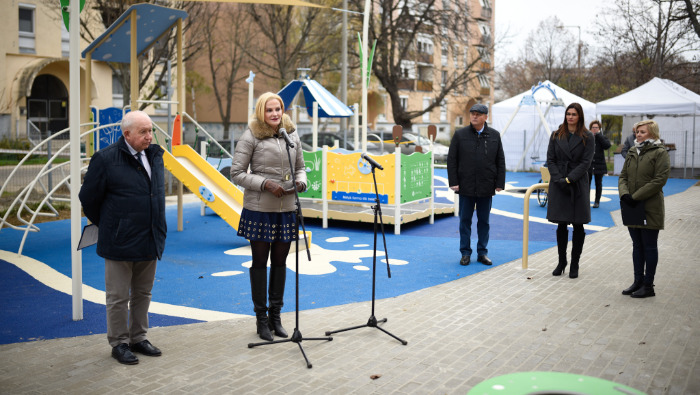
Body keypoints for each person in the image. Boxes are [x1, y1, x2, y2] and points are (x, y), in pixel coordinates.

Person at [79, 110, 167, 365]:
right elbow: (88, 198)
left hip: (150, 237)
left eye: (150, 130)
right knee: (118, 297)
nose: (149, 136)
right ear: (126, 134)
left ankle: (138, 337)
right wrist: (110, 224)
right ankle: (119, 343)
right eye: (143, 132)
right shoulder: (105, 159)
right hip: (119, 240)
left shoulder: (155, 156)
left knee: (143, 293)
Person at [230, 92, 306, 341]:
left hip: (286, 209)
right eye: (269, 110)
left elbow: (300, 167)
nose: (275, 114)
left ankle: (276, 316)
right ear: (261, 112)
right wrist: (265, 184)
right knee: (260, 263)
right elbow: (237, 173)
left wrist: (301, 182)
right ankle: (261, 320)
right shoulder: (251, 135)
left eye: (278, 109)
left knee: (281, 263)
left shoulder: (291, 133)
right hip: (260, 209)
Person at [447, 103, 506, 267]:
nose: (474, 116)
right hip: (465, 186)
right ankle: (465, 253)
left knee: (484, 222)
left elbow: (500, 161)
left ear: (486, 117)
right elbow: (452, 160)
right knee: (464, 220)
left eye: (478, 114)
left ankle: (482, 253)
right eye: (472, 113)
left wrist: (499, 183)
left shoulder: (494, 135)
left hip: (486, 186)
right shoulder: (460, 135)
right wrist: (454, 182)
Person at [618, 120, 670, 298]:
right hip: (632, 205)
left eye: (642, 132)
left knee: (649, 246)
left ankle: (649, 286)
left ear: (653, 134)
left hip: (649, 206)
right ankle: (638, 281)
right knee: (637, 245)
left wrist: (635, 196)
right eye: (637, 132)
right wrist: (625, 194)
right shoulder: (633, 151)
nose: (638, 135)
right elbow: (623, 176)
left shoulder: (660, 152)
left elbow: (659, 180)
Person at [546, 103, 594, 279]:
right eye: (568, 114)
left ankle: (575, 263)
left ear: (579, 116)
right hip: (559, 184)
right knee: (561, 224)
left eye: (574, 114)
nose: (570, 117)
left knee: (578, 224)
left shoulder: (588, 137)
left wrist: (569, 179)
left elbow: (586, 163)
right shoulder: (556, 135)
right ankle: (561, 261)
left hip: (577, 184)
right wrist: (559, 179)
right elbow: (550, 159)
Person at [588, 120, 611, 208]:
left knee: (598, 183)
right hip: (589, 164)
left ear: (599, 128)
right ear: (590, 128)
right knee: (587, 183)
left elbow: (607, 146)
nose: (594, 129)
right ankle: (586, 200)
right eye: (593, 127)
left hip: (599, 163)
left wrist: (599, 135)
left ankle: (597, 201)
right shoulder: (587, 137)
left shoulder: (602, 137)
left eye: (596, 127)